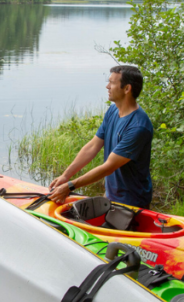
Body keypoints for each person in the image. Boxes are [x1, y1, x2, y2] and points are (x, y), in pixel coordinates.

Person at [48, 65, 153, 208]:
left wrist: (70, 186)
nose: (107, 86)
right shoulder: (113, 111)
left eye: (112, 82)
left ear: (127, 89)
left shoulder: (138, 127)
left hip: (131, 203)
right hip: (111, 196)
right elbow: (92, 146)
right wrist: (66, 175)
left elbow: (108, 167)